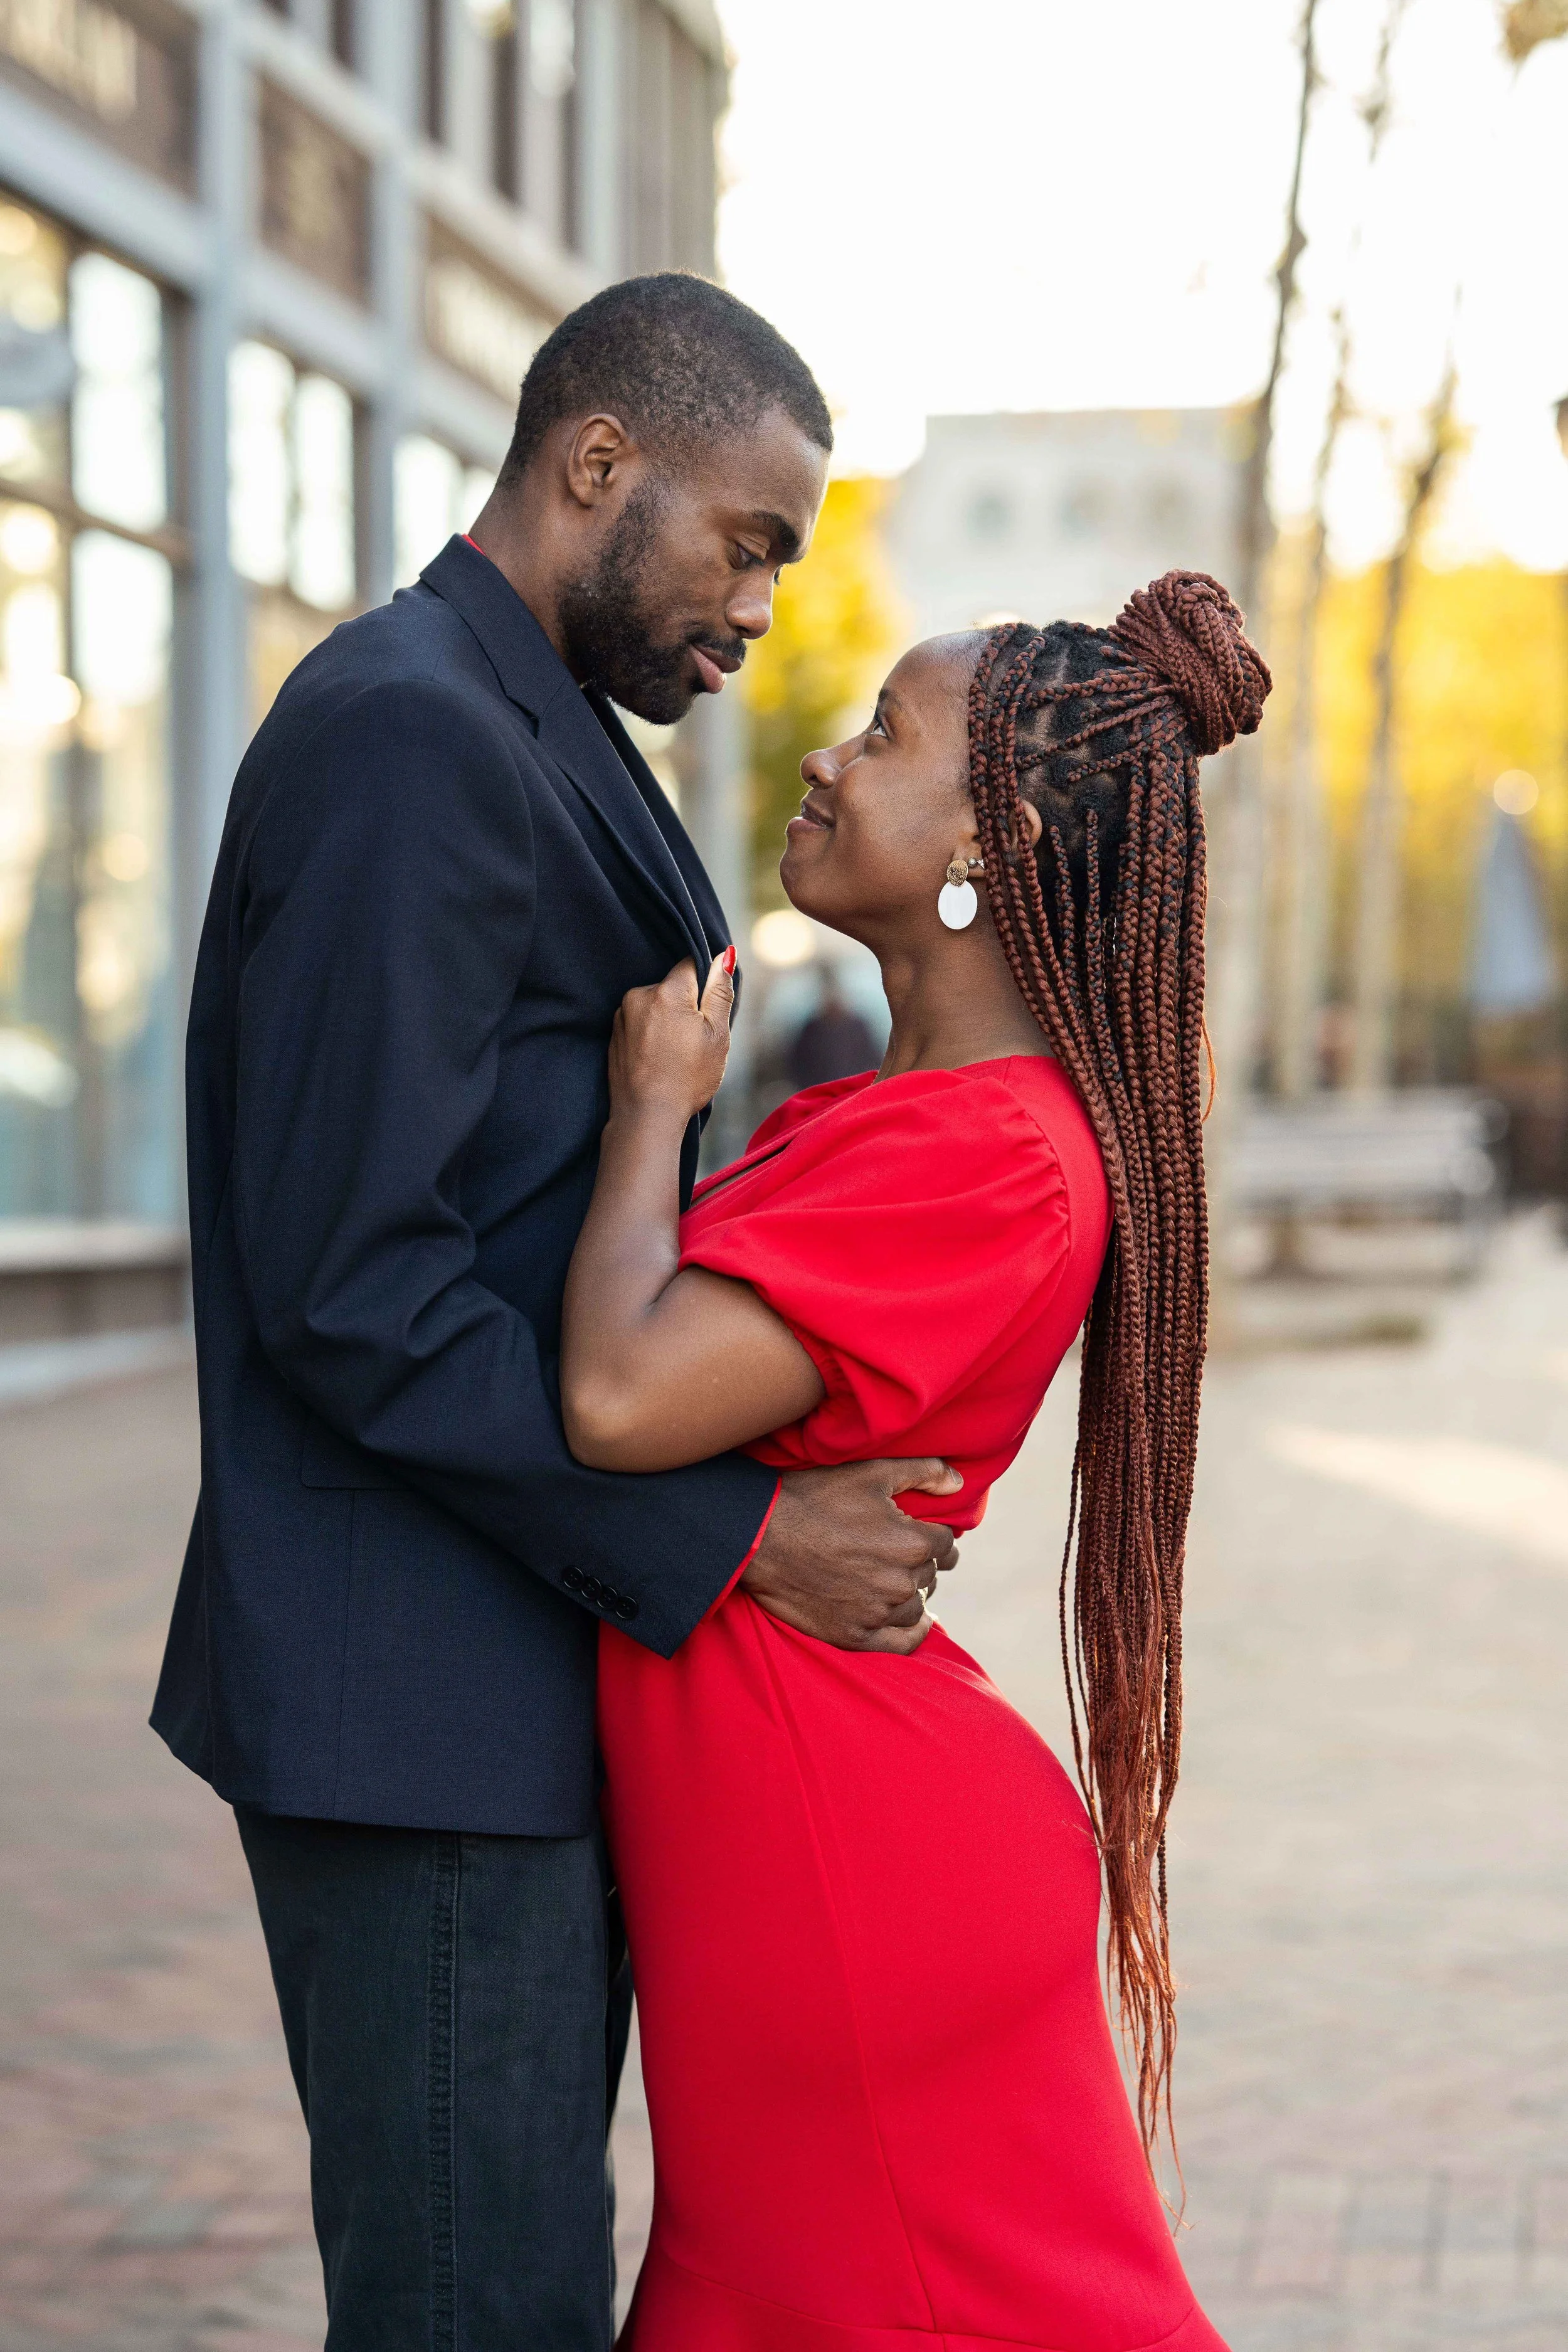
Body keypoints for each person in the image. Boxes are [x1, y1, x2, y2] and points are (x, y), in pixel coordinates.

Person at [150, 275, 965, 2351]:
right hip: (414, 1715)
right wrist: (745, 1540)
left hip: (504, 1695)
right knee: (473, 2313)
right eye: (748, 539)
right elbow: (355, 1280)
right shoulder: (415, 734)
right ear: (600, 465)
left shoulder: (524, 722)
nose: (767, 602)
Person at [563, 571, 1271, 2349]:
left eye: (884, 734)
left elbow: (623, 1400)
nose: (828, 754)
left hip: (845, 1859)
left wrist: (648, 1110)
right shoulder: (929, 1119)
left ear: (994, 831)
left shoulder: (988, 1154)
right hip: (822, 1829)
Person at [785, 968, 879, 1090]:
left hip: (853, 1090)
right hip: (821, 1091)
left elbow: (870, 1057)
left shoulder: (857, 1027)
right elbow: (797, 1062)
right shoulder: (812, 1028)